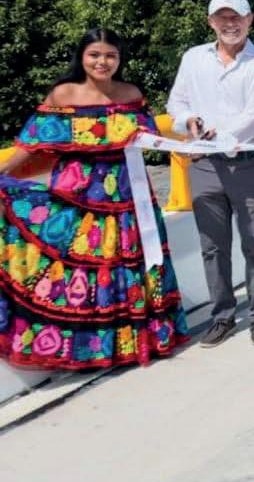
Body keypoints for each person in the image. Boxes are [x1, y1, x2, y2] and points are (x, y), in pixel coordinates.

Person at [0, 29, 186, 368]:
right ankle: (87, 347)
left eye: (110, 55)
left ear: (119, 59)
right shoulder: (64, 94)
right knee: (81, 269)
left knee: (129, 264)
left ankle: (133, 343)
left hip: (129, 195)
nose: (102, 62)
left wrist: (194, 147)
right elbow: (32, 142)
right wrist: (4, 171)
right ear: (82, 57)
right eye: (95, 55)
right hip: (77, 195)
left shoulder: (131, 93)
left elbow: (151, 138)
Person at [168, 0, 254, 347]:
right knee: (212, 246)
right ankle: (223, 316)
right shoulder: (193, 58)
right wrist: (190, 121)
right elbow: (176, 103)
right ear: (210, 21)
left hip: (248, 164)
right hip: (205, 165)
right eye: (222, 17)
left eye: (237, 17)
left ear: (250, 20)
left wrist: (219, 136)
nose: (230, 24)